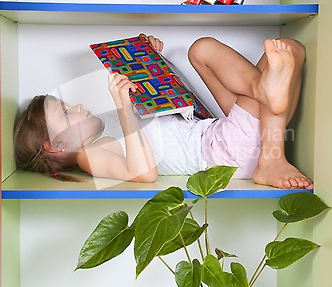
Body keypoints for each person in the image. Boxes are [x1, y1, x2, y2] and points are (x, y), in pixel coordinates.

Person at [13, 35, 313, 189]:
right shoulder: (87, 155)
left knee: (205, 49)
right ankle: (272, 159)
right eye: (66, 114)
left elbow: (169, 112)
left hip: (218, 132)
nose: (76, 106)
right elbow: (144, 173)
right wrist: (123, 107)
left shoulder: (105, 129)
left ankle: (264, 90)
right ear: (57, 145)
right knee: (288, 51)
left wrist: (147, 62)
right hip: (224, 152)